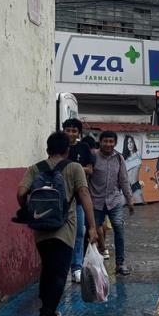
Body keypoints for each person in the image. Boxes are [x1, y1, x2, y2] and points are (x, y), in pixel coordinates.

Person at [17, 132, 99, 316]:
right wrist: (92, 226)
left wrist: (29, 211)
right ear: (67, 150)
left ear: (47, 150)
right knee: (60, 272)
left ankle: (49, 313)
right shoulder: (74, 167)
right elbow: (84, 194)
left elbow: (20, 193)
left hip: (40, 228)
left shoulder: (35, 168)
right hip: (65, 228)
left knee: (47, 269)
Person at [89, 131, 136, 275]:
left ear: (115, 143)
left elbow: (124, 180)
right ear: (100, 142)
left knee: (118, 228)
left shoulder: (119, 158)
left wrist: (129, 199)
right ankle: (89, 264)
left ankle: (120, 264)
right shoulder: (93, 156)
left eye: (111, 141)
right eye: (105, 141)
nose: (108, 144)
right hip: (95, 201)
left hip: (114, 200)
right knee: (91, 233)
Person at [62, 118, 93, 283]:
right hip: (62, 198)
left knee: (80, 233)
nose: (71, 133)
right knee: (61, 233)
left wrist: (75, 169)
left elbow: (90, 169)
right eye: (68, 130)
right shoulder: (59, 145)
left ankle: (77, 268)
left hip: (80, 198)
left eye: (74, 131)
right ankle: (63, 267)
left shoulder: (84, 147)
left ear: (78, 133)